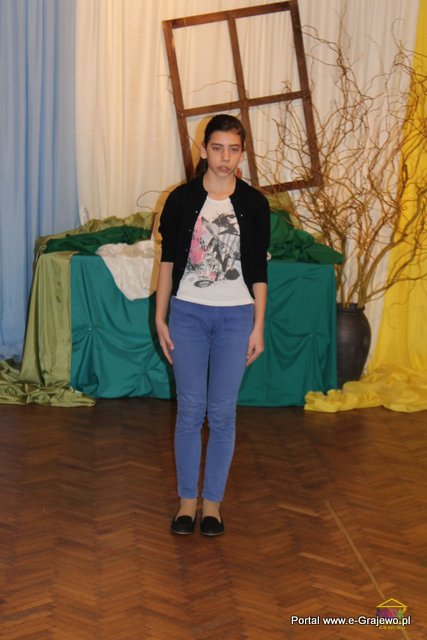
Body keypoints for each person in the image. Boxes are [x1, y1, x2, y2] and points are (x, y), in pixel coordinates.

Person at [155, 114, 270, 536]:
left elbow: (258, 270)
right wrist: (160, 316)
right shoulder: (181, 199)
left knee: (222, 413)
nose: (225, 157)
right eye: (217, 148)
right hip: (188, 314)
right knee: (190, 410)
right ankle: (187, 502)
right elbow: (168, 262)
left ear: (242, 154)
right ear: (204, 150)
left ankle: (213, 505)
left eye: (233, 149)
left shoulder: (254, 204)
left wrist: (258, 325)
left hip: (236, 317)